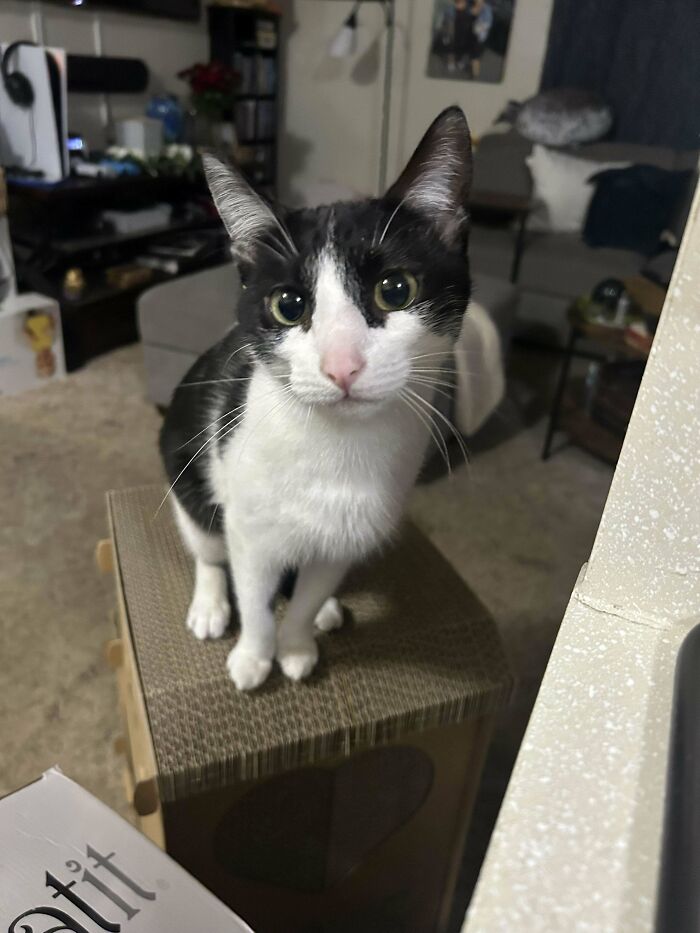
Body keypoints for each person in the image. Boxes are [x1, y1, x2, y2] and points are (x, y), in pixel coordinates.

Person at [468, 0, 493, 79]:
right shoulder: (473, 6)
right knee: (473, 55)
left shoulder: (486, 9)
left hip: (479, 37)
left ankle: (475, 74)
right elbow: (469, 16)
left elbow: (487, 24)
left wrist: (476, 28)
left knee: (475, 57)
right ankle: (473, 70)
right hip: (472, 35)